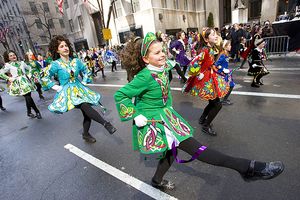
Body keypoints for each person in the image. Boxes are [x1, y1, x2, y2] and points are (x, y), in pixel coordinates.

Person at [114, 32, 284, 191]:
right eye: (157, 53)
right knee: (199, 150)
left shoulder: (163, 68)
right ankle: (247, 168)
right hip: (155, 121)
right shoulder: (144, 77)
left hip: (166, 116)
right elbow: (120, 95)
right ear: (145, 58)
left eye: (162, 51)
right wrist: (136, 115)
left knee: (171, 151)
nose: (162, 54)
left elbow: (166, 89)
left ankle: (156, 181)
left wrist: (170, 106)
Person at [42, 35, 116, 143]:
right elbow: (44, 76)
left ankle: (85, 134)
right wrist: (56, 87)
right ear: (57, 50)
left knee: (86, 112)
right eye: (61, 46)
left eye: (66, 45)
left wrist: (85, 81)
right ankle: (106, 124)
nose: (65, 48)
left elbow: (86, 70)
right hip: (68, 93)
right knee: (85, 106)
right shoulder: (55, 64)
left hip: (79, 89)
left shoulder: (76, 61)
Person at [183, 28, 229, 136]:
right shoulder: (205, 50)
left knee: (213, 101)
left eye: (216, 34)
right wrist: (198, 74)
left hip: (211, 76)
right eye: (213, 35)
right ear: (207, 39)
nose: (216, 36)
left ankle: (203, 119)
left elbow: (210, 63)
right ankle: (206, 126)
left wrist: (220, 70)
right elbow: (193, 64)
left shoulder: (210, 48)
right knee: (217, 105)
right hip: (206, 79)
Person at [0, 50, 42, 119]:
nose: (13, 56)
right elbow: (1, 73)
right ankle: (37, 111)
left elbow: (29, 68)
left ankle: (29, 112)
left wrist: (29, 74)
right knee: (28, 97)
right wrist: (9, 78)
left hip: (26, 81)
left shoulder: (22, 63)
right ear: (8, 58)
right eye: (11, 56)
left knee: (28, 97)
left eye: (14, 55)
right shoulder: (8, 65)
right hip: (18, 83)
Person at [215, 40, 235, 105]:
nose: (230, 46)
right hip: (222, 74)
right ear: (225, 47)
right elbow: (216, 64)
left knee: (229, 86)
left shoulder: (226, 53)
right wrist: (224, 69)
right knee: (230, 86)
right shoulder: (223, 55)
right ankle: (223, 100)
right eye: (229, 45)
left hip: (226, 73)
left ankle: (224, 99)